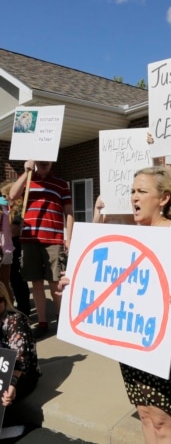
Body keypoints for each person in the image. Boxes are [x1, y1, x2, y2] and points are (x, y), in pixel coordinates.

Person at [60, 166, 171, 443]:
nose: (134, 197)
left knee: (163, 422)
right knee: (146, 414)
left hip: (168, 349)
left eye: (142, 191)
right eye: (132, 191)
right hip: (133, 348)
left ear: (163, 198)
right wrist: (74, 284)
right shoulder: (128, 235)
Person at [9, 160, 74, 339]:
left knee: (55, 283)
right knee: (36, 282)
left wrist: (69, 237)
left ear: (52, 162)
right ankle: (43, 323)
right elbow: (13, 195)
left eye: (47, 161)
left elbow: (69, 211)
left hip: (54, 239)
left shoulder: (61, 184)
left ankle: (61, 320)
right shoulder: (29, 179)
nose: (44, 163)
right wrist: (26, 172)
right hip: (30, 239)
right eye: (40, 160)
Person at [0, 281, 41, 435]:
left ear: (5, 299)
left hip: (21, 374)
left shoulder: (15, 320)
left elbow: (21, 361)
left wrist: (12, 384)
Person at [0, 182, 30, 318]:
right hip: (9, 246)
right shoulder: (6, 206)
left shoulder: (16, 208)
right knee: (9, 283)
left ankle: (21, 311)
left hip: (13, 246)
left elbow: (15, 229)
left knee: (15, 281)